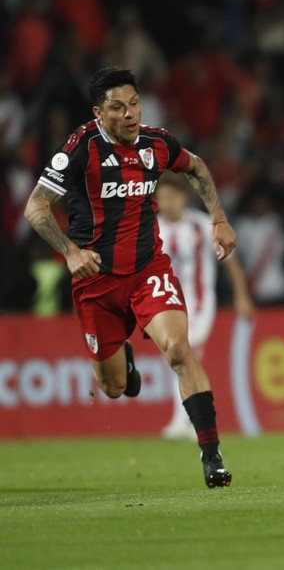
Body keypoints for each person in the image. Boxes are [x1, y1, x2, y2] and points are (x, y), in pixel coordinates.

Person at [23, 67, 235, 488]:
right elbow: (35, 207)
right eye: (118, 107)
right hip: (96, 281)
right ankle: (125, 356)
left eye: (134, 104)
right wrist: (69, 251)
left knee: (178, 349)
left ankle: (211, 454)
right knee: (115, 386)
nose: (129, 114)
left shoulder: (157, 144)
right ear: (99, 113)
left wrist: (219, 219)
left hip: (147, 269)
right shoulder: (80, 148)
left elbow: (197, 168)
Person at [155, 175, 255, 440]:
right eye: (161, 197)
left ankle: (183, 422)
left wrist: (241, 296)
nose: (166, 202)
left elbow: (230, 261)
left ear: (182, 198)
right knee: (179, 357)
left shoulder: (201, 225)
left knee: (184, 353)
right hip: (167, 304)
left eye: (170, 196)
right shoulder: (153, 229)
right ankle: (187, 421)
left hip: (199, 303)